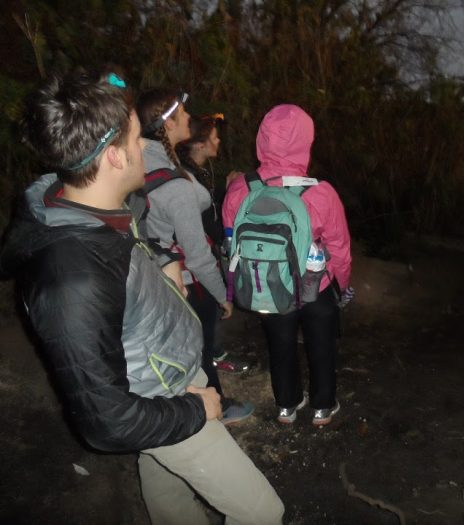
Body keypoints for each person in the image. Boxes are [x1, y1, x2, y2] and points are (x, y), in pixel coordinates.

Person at [0, 70, 283, 525]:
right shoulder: (69, 279)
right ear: (113, 157)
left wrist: (157, 257)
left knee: (170, 500)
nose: (144, 149)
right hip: (162, 398)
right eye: (136, 140)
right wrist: (194, 409)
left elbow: (119, 258)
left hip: (167, 374)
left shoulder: (90, 207)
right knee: (264, 513)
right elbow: (105, 419)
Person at [223, 104, 352, 425]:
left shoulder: (241, 188)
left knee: (279, 344)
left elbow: (229, 238)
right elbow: (340, 249)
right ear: (305, 142)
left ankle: (286, 405)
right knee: (321, 344)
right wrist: (343, 286)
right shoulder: (320, 192)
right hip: (315, 286)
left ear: (261, 140)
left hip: (268, 283)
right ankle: (322, 407)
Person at [136, 89, 252, 423]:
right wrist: (223, 296)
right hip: (181, 277)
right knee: (197, 348)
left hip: (149, 270)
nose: (189, 118)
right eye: (183, 113)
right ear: (167, 123)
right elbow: (199, 256)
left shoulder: (140, 162)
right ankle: (215, 409)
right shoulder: (176, 186)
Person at [175, 114, 250, 373]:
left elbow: (208, 207)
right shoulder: (184, 178)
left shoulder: (198, 172)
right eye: (213, 136)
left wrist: (225, 191)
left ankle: (213, 353)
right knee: (205, 305)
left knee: (206, 308)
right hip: (192, 258)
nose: (218, 140)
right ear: (199, 144)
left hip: (201, 252)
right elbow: (204, 220)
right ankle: (210, 359)